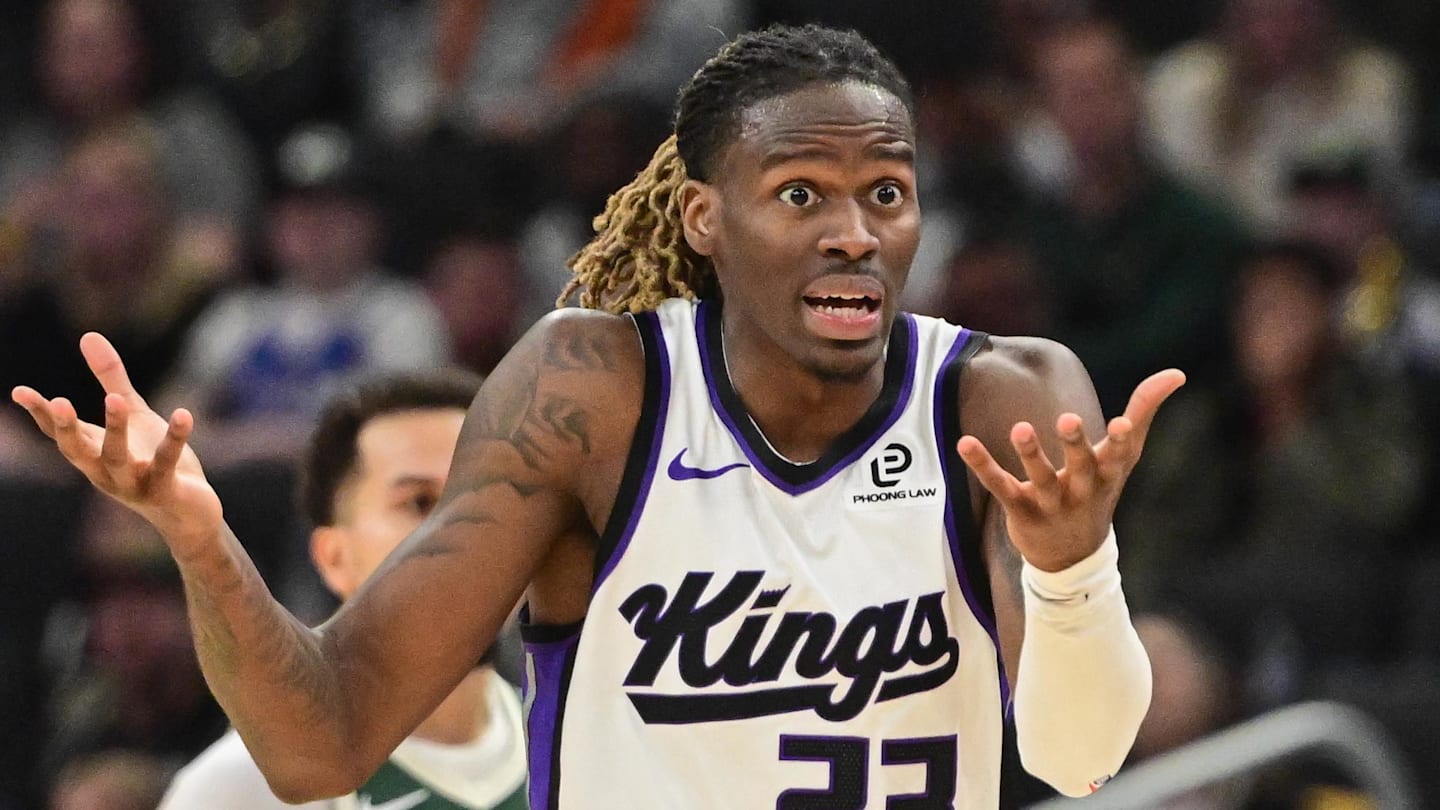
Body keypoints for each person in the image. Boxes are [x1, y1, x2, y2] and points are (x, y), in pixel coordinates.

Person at [13, 24, 1183, 808]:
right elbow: (320, 741)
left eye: (887, 193)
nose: (854, 233)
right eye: (800, 196)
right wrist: (200, 543)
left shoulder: (1002, 397)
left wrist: (1072, 570)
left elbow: (1078, 760)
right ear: (704, 217)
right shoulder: (593, 396)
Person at [157, 370, 528, 809]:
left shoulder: (588, 740)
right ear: (334, 557)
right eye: (420, 502)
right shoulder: (237, 788)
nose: (467, 530)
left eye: (484, 496)